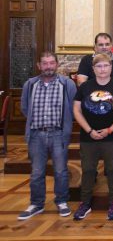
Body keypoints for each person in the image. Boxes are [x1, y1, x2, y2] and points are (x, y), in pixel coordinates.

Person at [18, 52, 77, 220]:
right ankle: (36, 204)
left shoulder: (67, 84)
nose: (48, 66)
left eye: (52, 63)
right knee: (37, 172)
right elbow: (24, 108)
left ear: (57, 64)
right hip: (36, 134)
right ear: (39, 66)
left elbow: (74, 108)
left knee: (60, 170)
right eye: (45, 63)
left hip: (58, 134)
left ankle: (62, 201)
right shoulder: (30, 85)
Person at [73, 53, 113, 221]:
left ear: (111, 68)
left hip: (112, 137)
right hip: (89, 137)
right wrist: (90, 130)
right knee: (89, 170)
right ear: (93, 69)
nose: (102, 69)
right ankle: (85, 203)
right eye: (99, 66)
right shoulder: (85, 87)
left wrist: (109, 130)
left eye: (105, 66)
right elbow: (76, 110)